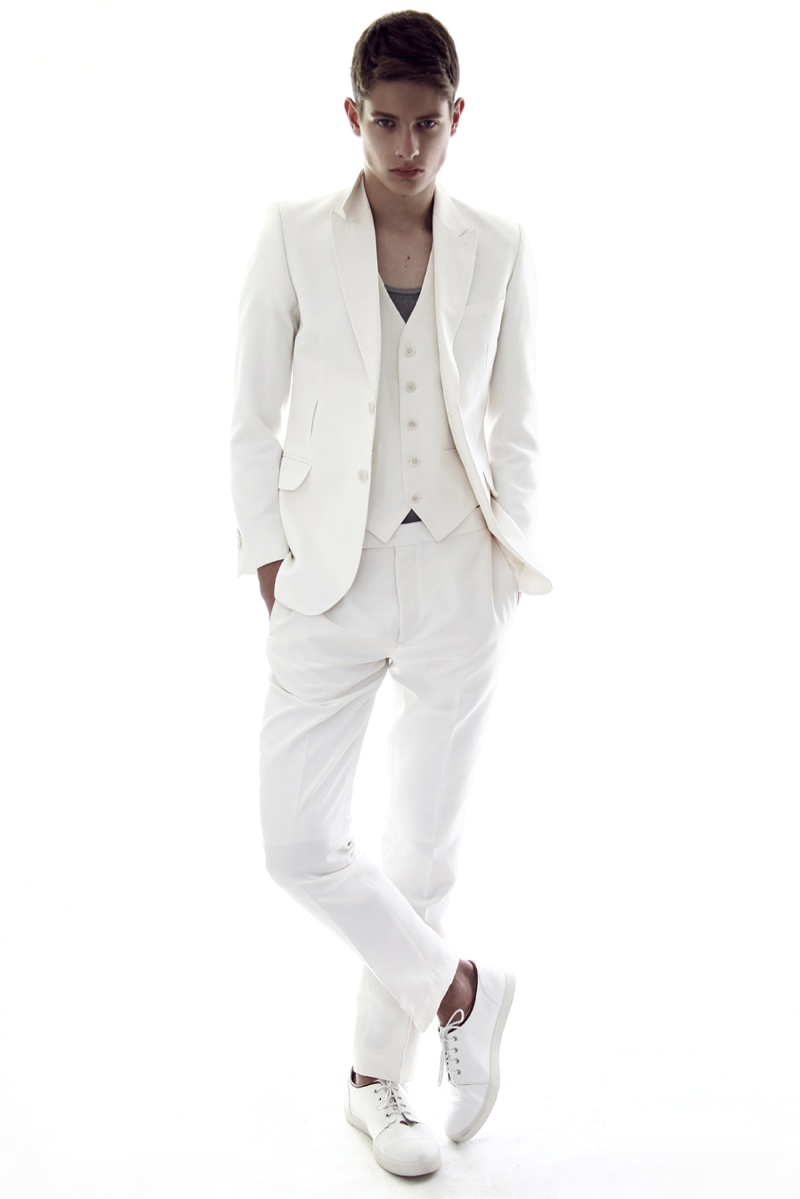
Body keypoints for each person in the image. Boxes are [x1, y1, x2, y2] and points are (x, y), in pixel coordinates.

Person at [230, 10, 551, 1178]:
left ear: (456, 118)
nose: (405, 147)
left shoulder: (498, 242)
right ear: (352, 116)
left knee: (421, 849)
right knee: (295, 839)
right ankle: (460, 987)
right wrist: (269, 559)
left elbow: (519, 419)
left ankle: (378, 1085)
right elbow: (249, 414)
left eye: (426, 124)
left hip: (460, 576)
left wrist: (505, 559)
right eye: (385, 123)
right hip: (327, 577)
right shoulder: (292, 234)